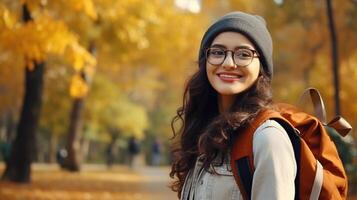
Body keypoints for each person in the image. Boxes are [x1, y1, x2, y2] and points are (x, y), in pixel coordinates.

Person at [170, 11, 296, 200]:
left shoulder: (268, 138)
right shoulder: (203, 132)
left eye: (243, 54)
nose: (228, 63)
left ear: (262, 67)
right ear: (206, 61)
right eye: (218, 52)